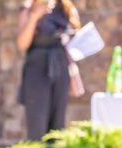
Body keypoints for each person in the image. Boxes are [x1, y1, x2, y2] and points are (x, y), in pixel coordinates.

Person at [17, 0, 82, 140]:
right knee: (37, 122)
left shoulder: (66, 8)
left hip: (61, 67)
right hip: (37, 69)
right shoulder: (28, 10)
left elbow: (76, 34)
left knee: (58, 122)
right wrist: (34, 17)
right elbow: (22, 44)